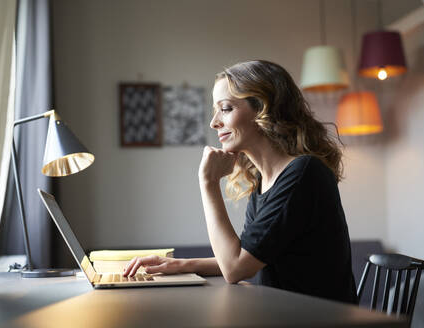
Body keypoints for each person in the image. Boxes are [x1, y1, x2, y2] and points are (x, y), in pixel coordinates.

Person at [123, 60, 358, 304]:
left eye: (225, 108)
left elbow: (236, 268)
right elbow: (246, 257)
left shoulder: (302, 174)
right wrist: (179, 264)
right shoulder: (266, 179)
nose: (214, 122)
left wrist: (208, 182)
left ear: (263, 109)